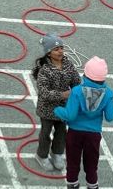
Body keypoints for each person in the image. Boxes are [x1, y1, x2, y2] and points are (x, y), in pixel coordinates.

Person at [54, 56, 113, 189]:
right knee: (91, 164)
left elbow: (70, 115)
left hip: (75, 133)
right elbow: (110, 117)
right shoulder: (108, 94)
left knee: (73, 162)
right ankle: (92, 185)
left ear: (86, 75)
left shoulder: (76, 92)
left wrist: (58, 110)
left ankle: (73, 184)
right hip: (93, 135)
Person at [31, 33, 81, 171]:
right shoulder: (44, 70)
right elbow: (44, 92)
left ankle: (57, 153)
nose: (60, 51)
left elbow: (77, 81)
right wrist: (63, 94)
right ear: (48, 53)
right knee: (45, 133)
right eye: (56, 49)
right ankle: (41, 155)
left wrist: (77, 92)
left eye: (61, 48)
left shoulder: (68, 65)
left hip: (64, 109)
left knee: (61, 132)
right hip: (47, 109)